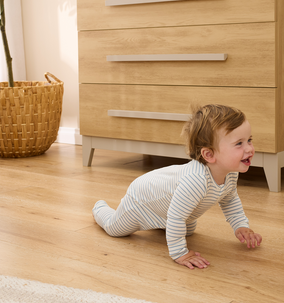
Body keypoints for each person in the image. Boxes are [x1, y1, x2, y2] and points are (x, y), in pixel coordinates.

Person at [92, 104, 262, 269]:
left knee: (187, 230)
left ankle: (162, 223)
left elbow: (229, 200)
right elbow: (176, 218)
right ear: (209, 154)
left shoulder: (231, 172)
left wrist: (241, 226)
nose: (249, 148)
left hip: (166, 205)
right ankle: (99, 208)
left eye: (249, 140)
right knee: (115, 229)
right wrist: (180, 253)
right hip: (141, 201)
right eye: (239, 143)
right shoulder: (195, 182)